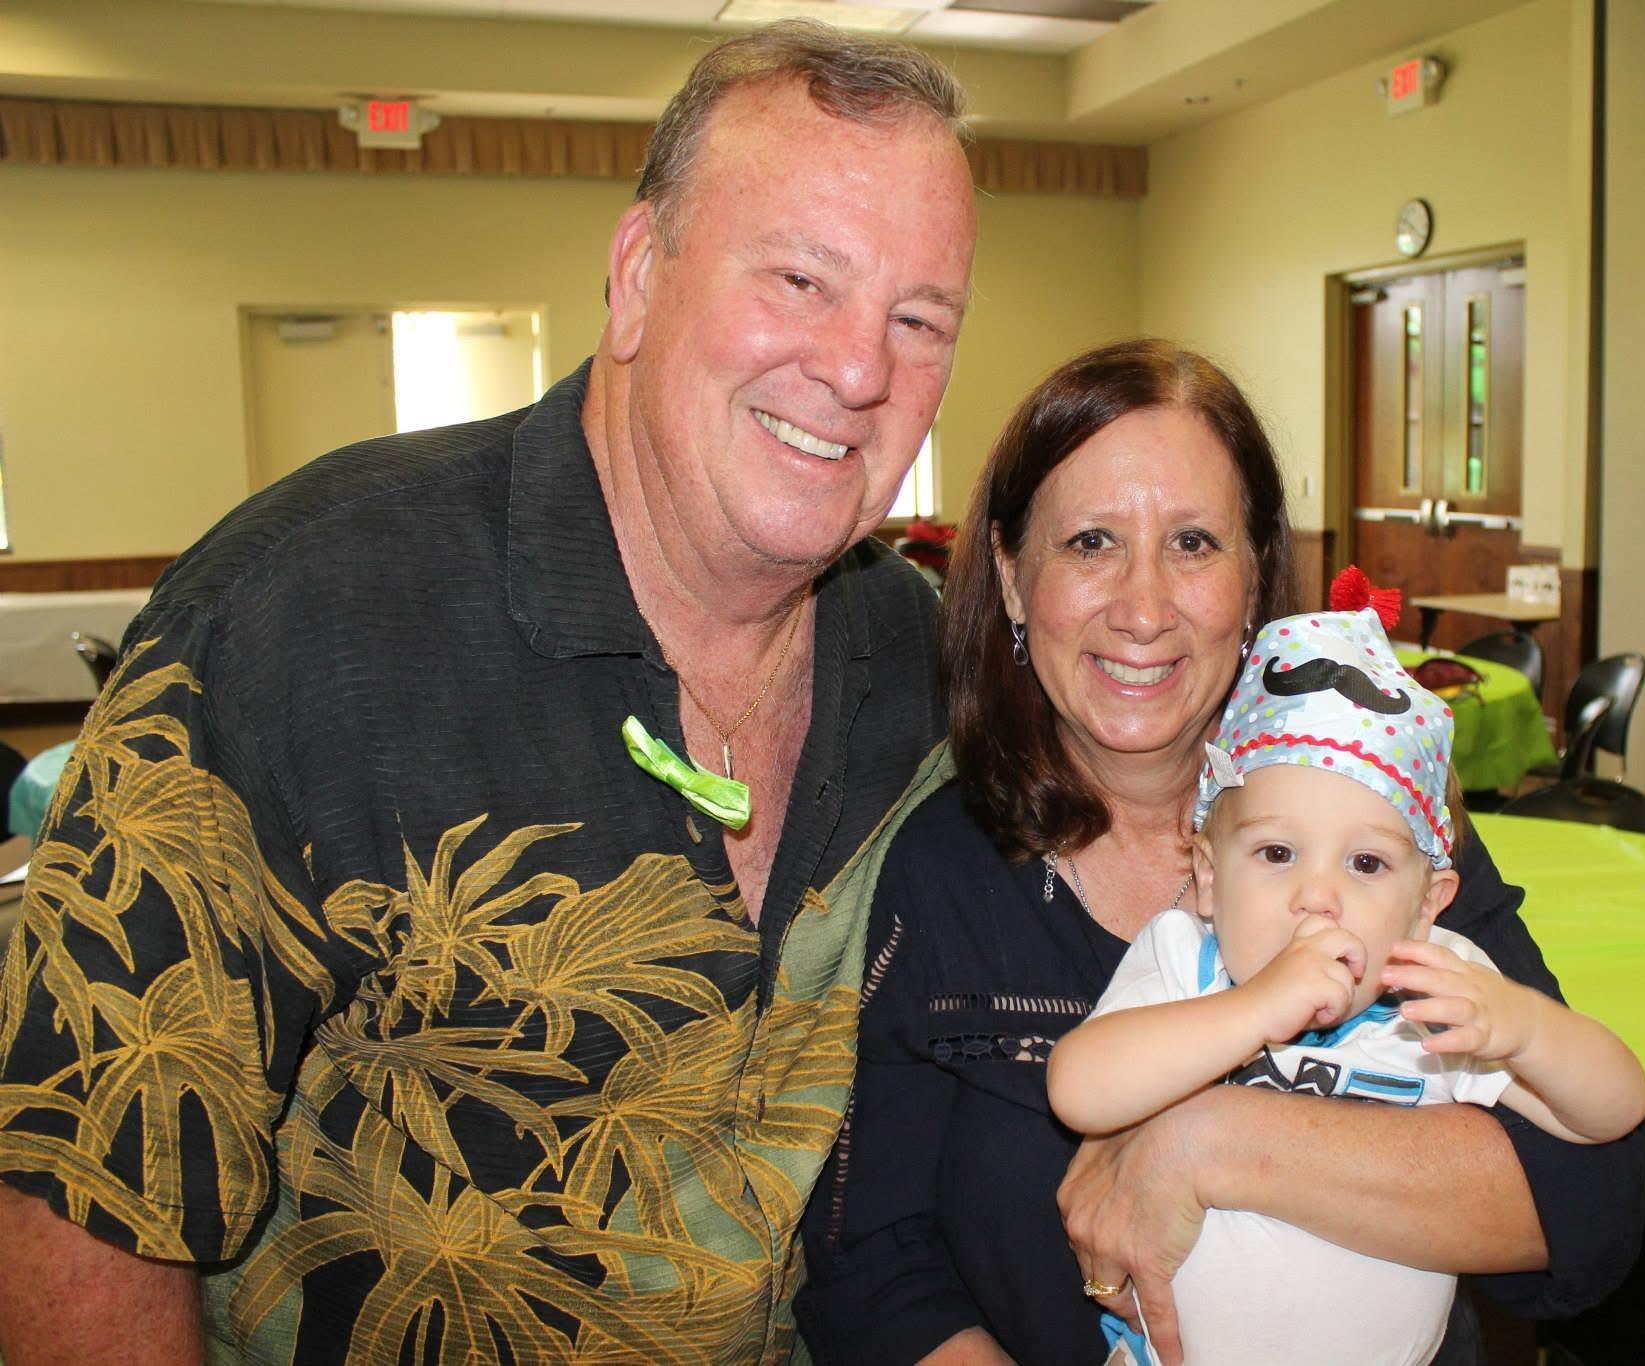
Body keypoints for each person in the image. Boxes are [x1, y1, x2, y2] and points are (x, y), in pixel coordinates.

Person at [0, 21, 974, 1363]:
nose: (860, 368)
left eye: (919, 319)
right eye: (803, 278)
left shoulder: (923, 664)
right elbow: (82, 1199)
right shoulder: (300, 618)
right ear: (637, 277)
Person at [795, 339, 1645, 1366]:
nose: (1144, 607)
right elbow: (871, 1260)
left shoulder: (1380, 831)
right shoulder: (943, 868)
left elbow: (1585, 1208)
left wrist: (1206, 1143)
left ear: (1253, 581)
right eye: (1090, 542)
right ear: (1014, 580)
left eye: (1194, 542)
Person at [1046, 586, 1645, 1365]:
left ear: (1427, 905)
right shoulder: (1186, 961)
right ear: (1206, 875)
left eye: (1365, 863)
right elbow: (1079, 1089)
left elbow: (1612, 1113)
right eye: (1275, 854)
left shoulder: (1435, 994)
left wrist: (1527, 1029)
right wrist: (1257, 1006)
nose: (1317, 896)